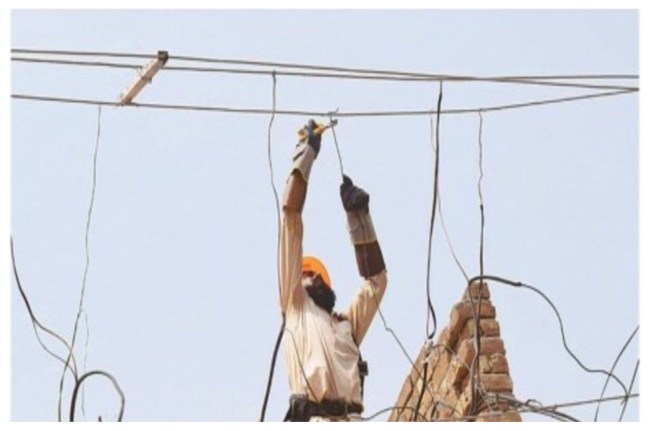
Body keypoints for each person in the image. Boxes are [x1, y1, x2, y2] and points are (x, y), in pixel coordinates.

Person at [280, 119, 388, 422]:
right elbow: (290, 217)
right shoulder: (296, 306)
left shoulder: (346, 326)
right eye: (305, 274)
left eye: (315, 274)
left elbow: (376, 282)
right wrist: (305, 154)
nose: (311, 276)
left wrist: (359, 218)